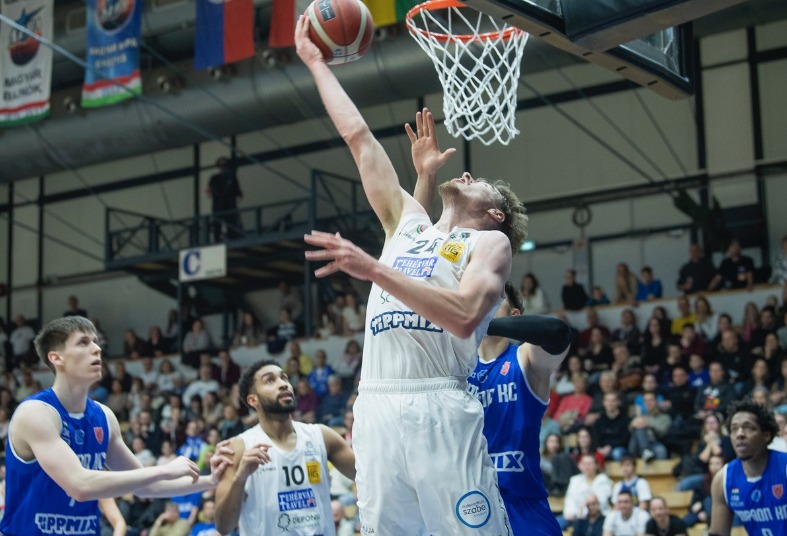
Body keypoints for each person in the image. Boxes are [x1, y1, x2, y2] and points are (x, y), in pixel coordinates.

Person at [296, 17, 527, 535]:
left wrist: (373, 268)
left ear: (495, 214)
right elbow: (358, 138)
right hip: (375, 404)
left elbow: (465, 316)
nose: (465, 174)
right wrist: (314, 62)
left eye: (479, 181)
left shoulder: (489, 244)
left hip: (438, 403)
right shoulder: (406, 224)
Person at [0, 316, 231, 536]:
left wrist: (211, 480)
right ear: (56, 358)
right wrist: (164, 469)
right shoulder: (36, 413)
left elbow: (146, 487)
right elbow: (80, 486)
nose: (97, 349)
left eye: (96, 342)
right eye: (83, 342)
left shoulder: (104, 417)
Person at [469, 282, 571, 534]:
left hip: (522, 504)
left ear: (514, 315)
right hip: (471, 505)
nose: (484, 303)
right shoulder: (457, 369)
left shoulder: (525, 358)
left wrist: (479, 323)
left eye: (495, 298)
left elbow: (558, 332)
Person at [213, 360, 356, 535]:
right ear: (253, 400)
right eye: (270, 380)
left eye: (284, 378)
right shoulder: (238, 448)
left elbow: (368, 477)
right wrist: (240, 478)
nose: (283, 384)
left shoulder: (322, 436)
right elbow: (224, 526)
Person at [709, 399, 787, 536]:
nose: (740, 434)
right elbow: (717, 534)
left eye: (749, 427)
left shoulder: (784, 467)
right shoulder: (723, 480)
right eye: (734, 429)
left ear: (766, 435)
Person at [206, 156, 243, 242]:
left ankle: (232, 238)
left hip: (230, 205)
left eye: (225, 165)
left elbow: (237, 191)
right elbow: (209, 191)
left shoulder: (232, 177)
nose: (223, 168)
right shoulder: (214, 178)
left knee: (231, 224)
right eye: (221, 166)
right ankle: (217, 240)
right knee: (217, 225)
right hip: (218, 206)